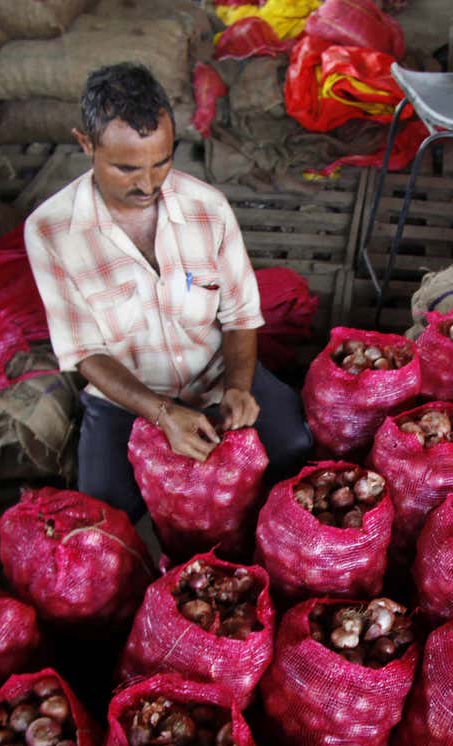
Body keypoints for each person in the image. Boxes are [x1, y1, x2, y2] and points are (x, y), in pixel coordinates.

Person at [26, 63, 313, 520]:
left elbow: (240, 315)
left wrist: (237, 388)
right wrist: (161, 414)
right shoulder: (50, 231)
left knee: (295, 447)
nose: (147, 185)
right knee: (107, 513)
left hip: (214, 375)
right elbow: (85, 353)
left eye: (161, 162)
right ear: (85, 144)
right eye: (126, 168)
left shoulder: (208, 208)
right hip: (128, 399)